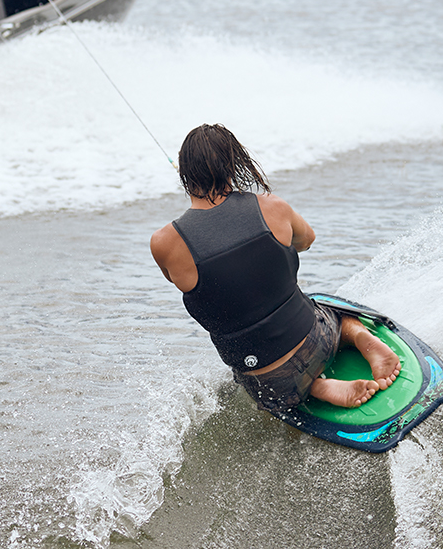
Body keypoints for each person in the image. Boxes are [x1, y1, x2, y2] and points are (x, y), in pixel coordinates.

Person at [150, 124, 401, 413]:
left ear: (184, 173)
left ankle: (315, 387)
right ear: (232, 164)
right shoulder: (273, 207)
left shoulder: (164, 243)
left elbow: (179, 279)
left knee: (267, 383)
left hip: (265, 379)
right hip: (315, 341)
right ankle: (360, 337)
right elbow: (307, 240)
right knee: (335, 313)